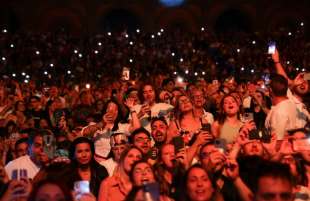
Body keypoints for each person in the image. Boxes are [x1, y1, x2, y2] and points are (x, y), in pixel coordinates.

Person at [265, 74, 298, 139]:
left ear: (270, 90)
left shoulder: (279, 111)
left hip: (281, 147)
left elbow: (278, 139)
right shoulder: (292, 103)